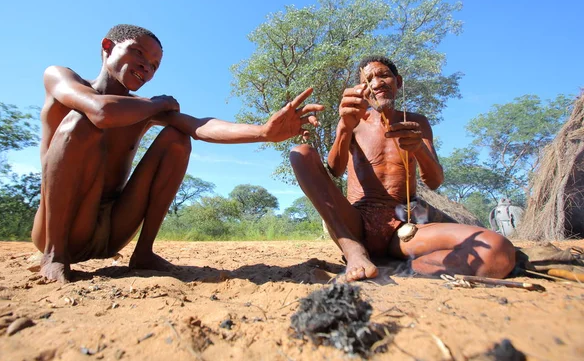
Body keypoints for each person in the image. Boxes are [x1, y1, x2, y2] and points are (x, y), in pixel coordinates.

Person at [32, 24, 323, 283]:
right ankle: (54, 255)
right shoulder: (61, 77)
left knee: (177, 139)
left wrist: (264, 132)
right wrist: (157, 106)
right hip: (60, 227)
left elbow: (199, 126)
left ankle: (144, 253)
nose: (146, 67)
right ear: (107, 47)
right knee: (80, 121)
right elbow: (101, 111)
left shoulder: (143, 108)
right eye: (138, 54)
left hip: (111, 229)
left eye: (154, 65)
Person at [289, 56, 515, 282]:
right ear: (362, 91)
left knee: (497, 251)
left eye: (383, 75)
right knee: (302, 154)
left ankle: (405, 264)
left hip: (403, 227)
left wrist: (419, 148)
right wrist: (344, 127)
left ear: (398, 81)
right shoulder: (354, 122)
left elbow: (434, 181)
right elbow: (335, 170)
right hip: (357, 223)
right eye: (368, 80)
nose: (377, 83)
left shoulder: (417, 122)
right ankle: (354, 252)